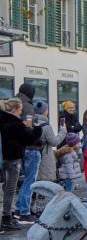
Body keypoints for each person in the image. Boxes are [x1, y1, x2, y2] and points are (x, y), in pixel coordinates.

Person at [0, 98, 42, 230]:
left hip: (3, 158)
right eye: (20, 109)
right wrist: (35, 129)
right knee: (10, 189)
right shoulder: (16, 123)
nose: (21, 112)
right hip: (13, 159)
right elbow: (30, 139)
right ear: (15, 109)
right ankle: (7, 217)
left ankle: (8, 215)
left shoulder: (3, 120)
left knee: (5, 188)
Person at [14, 83, 43, 222]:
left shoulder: (16, 103)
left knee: (25, 180)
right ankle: (24, 212)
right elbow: (30, 129)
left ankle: (18, 209)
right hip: (31, 148)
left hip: (20, 148)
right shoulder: (29, 107)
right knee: (30, 181)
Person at [34, 101, 67, 182]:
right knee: (45, 182)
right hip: (44, 156)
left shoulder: (30, 123)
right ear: (45, 111)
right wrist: (63, 131)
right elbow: (54, 142)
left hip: (32, 155)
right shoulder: (46, 126)